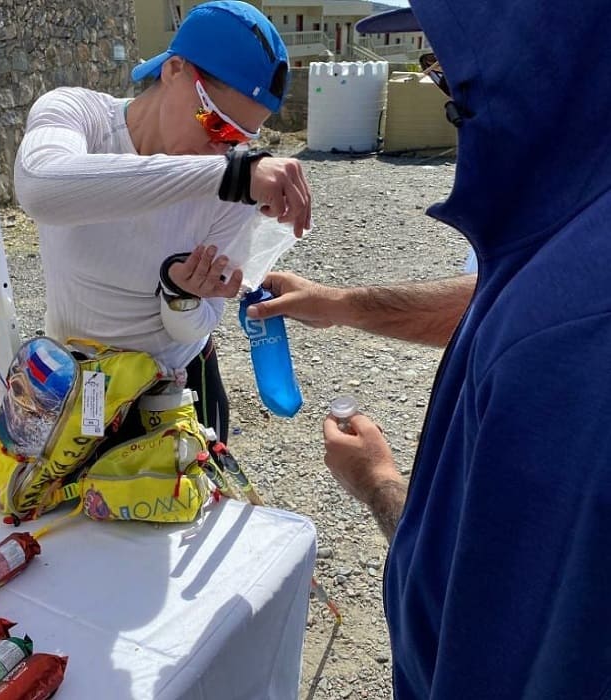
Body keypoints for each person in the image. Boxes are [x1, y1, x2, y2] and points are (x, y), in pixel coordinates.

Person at [247, 0, 611, 697]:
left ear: (537, 59)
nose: (447, 99)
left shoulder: (570, 352)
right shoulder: (578, 226)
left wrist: (378, 483)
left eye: (450, 75)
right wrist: (341, 304)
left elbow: (483, 624)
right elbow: (501, 296)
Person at [13, 0, 311, 444]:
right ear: (174, 70)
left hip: (173, 392)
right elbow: (41, 188)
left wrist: (180, 295)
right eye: (215, 122)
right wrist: (229, 175)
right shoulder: (81, 114)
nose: (220, 148)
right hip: (76, 381)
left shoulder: (233, 181)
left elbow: (198, 325)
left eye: (238, 138)